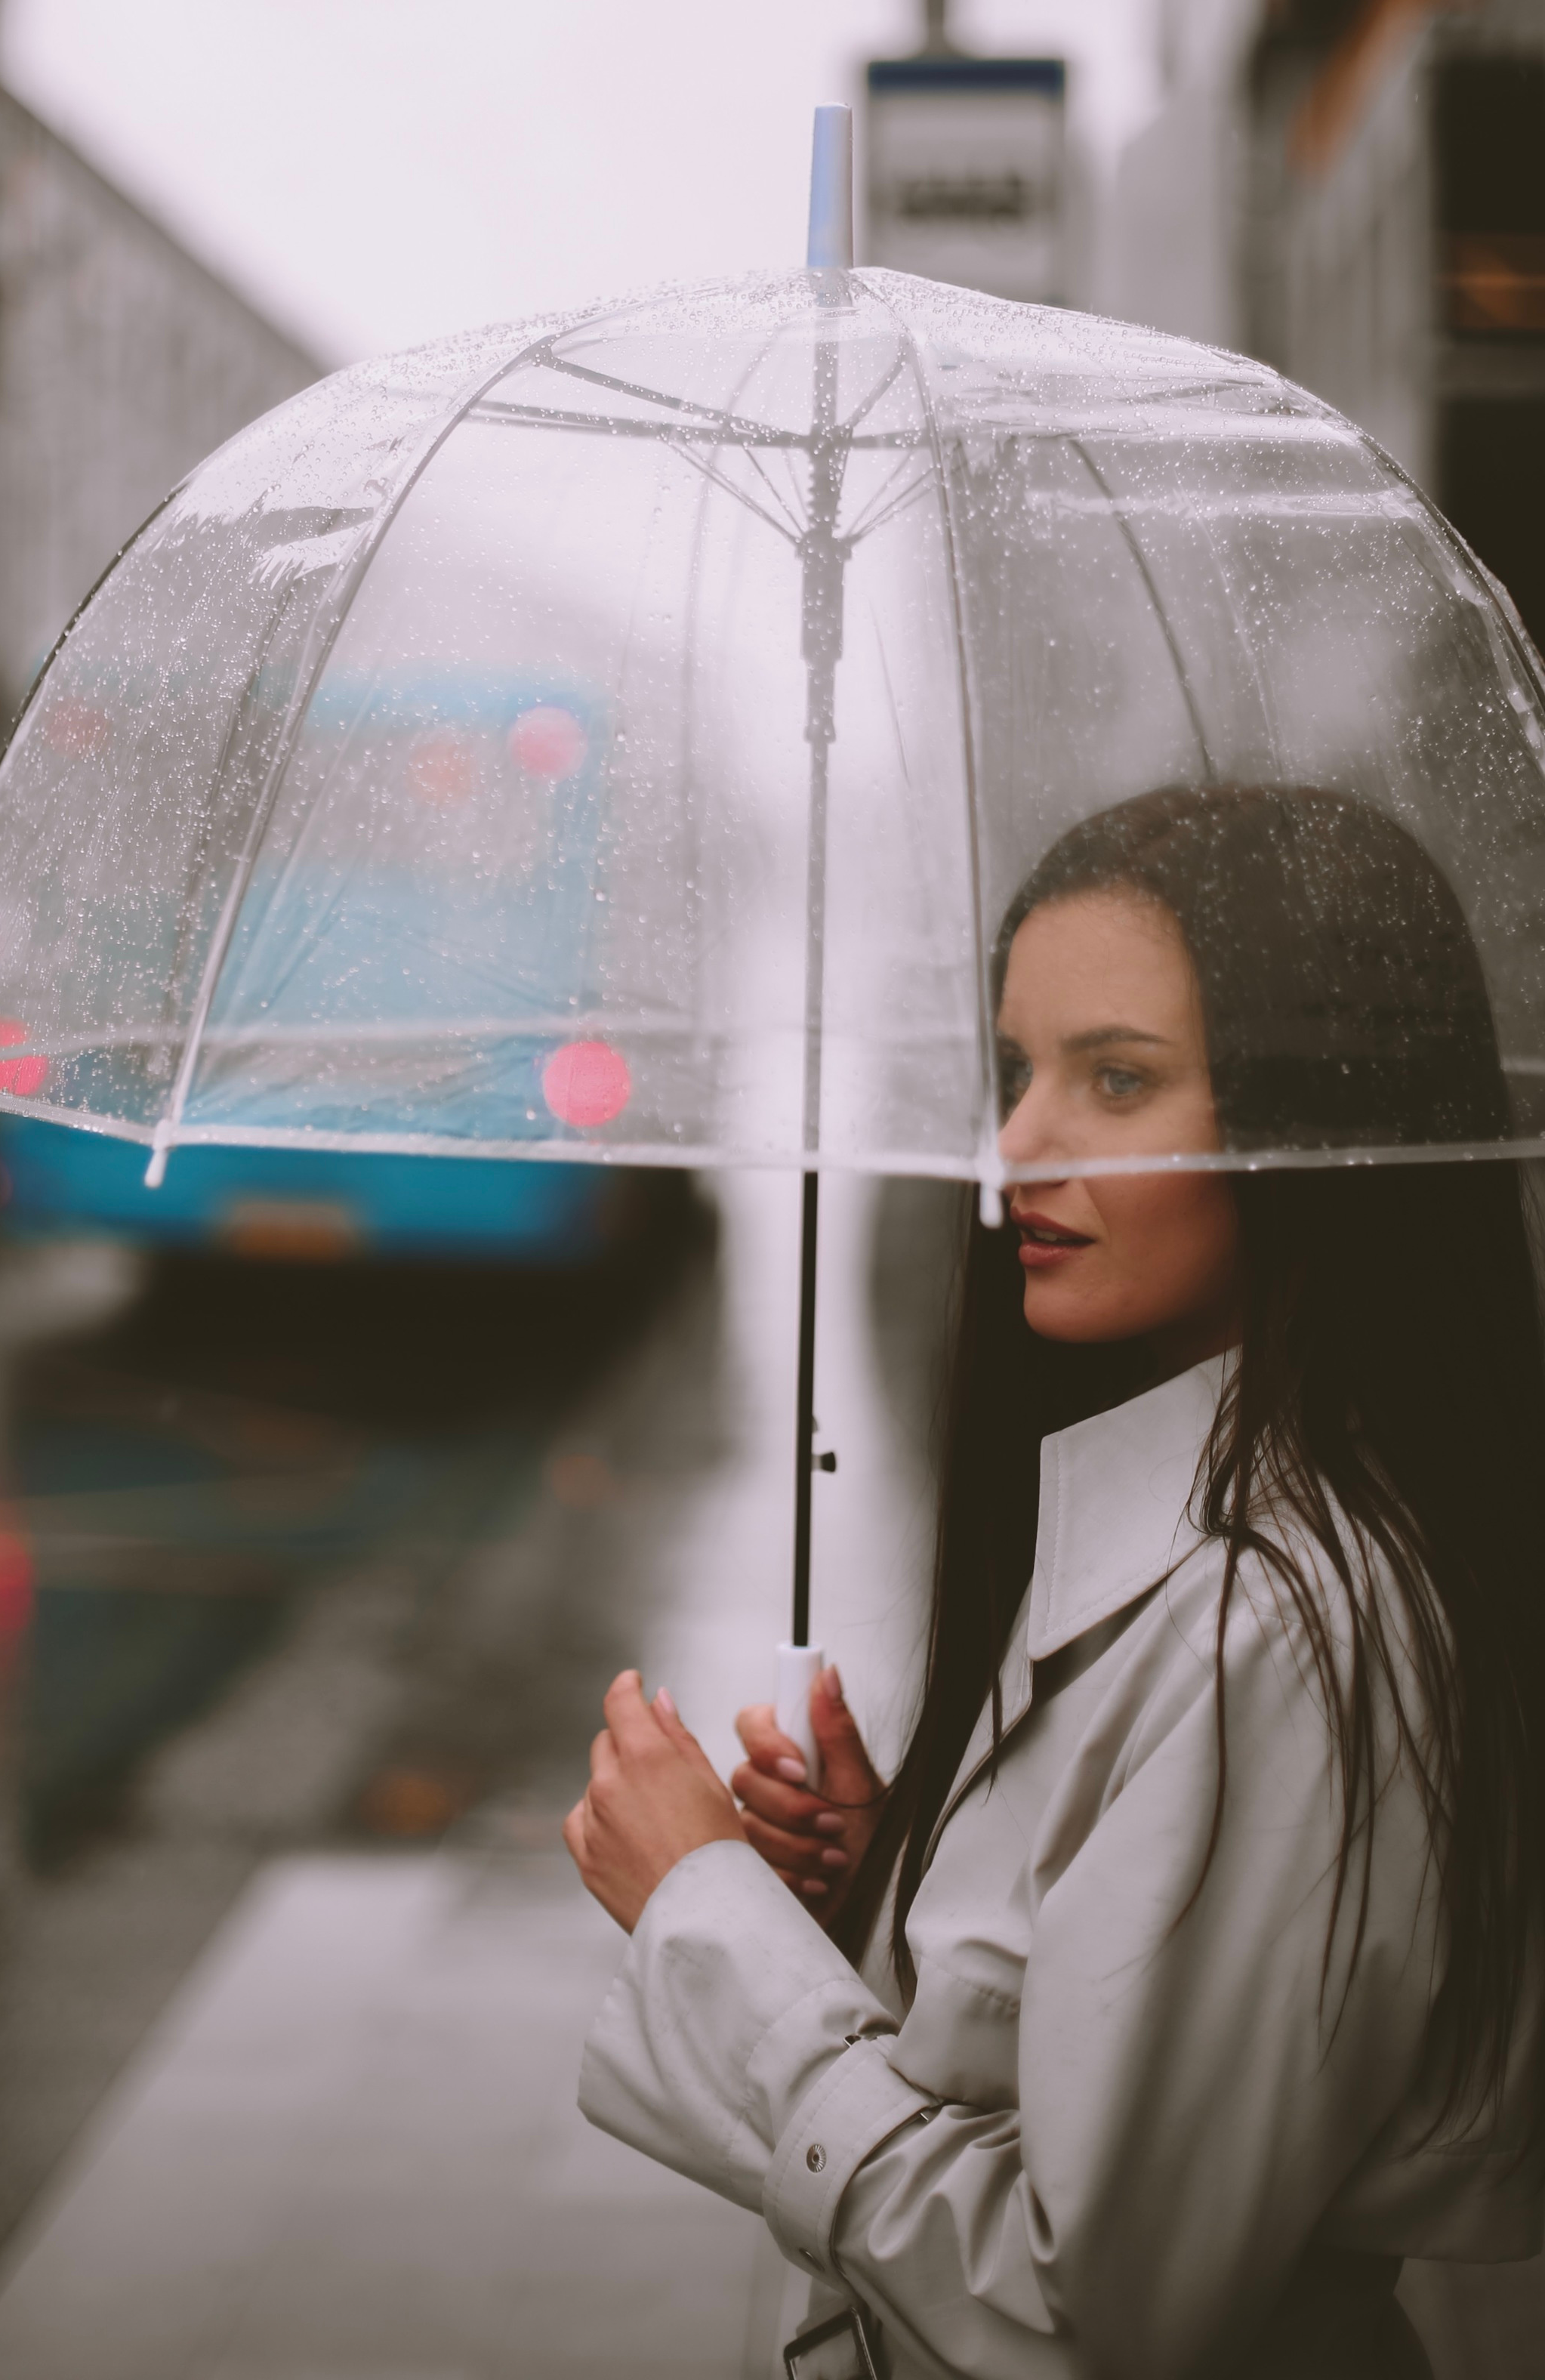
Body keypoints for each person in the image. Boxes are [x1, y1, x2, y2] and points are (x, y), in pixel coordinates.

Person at [563, 785, 1545, 2379]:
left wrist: (709, 1925)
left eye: (1115, 1079)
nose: (1012, 1147)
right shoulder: (1193, 1540)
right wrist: (937, 1892)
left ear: (1322, 1122)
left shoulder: (1274, 1625)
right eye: (1014, 1072)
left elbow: (1084, 2315)